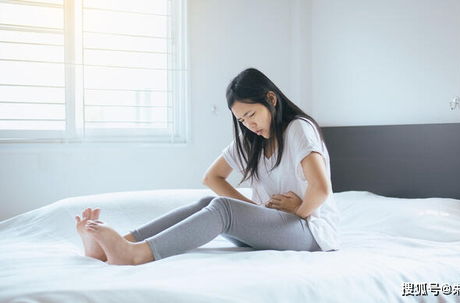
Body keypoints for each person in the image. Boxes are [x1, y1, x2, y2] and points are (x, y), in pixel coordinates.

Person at [75, 68, 340, 265]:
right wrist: (255, 210)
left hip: (311, 232)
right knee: (207, 202)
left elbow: (320, 189)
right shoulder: (252, 139)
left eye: (251, 115)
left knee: (222, 209)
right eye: (242, 120)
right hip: (278, 225)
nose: (249, 124)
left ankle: (137, 254)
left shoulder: (298, 128)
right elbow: (212, 177)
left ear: (271, 98)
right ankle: (117, 245)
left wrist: (299, 211)